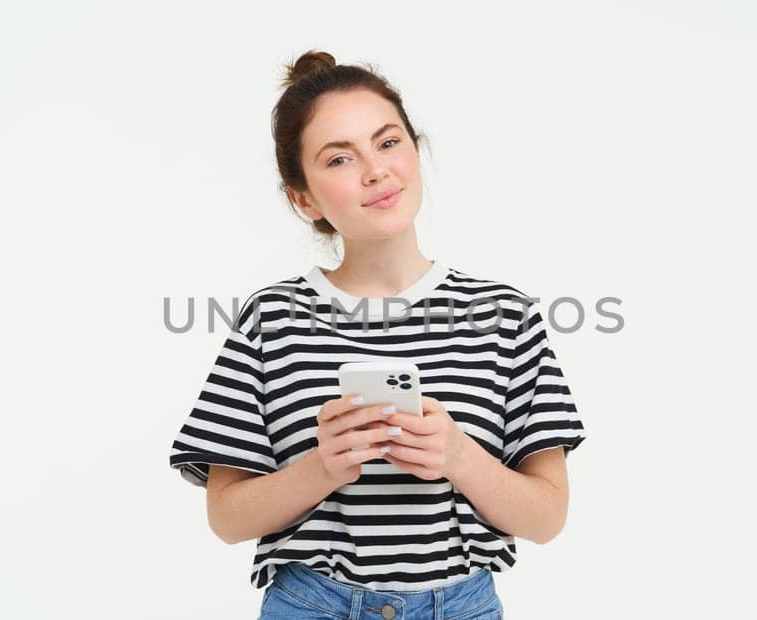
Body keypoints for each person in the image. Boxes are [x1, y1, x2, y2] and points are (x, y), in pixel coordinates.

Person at [167, 49, 587, 620]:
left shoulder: (505, 314)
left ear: (415, 150)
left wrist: (460, 456)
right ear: (303, 198)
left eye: (388, 142)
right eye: (339, 159)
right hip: (310, 604)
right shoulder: (271, 319)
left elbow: (548, 517)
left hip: (461, 606)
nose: (374, 171)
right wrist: (324, 466)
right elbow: (226, 518)